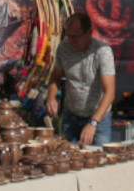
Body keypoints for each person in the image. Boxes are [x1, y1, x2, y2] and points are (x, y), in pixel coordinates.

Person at [45, 12, 116, 146]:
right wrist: (51, 97)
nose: (72, 41)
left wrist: (93, 123)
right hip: (71, 115)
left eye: (76, 36)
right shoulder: (63, 48)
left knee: (99, 160)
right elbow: (56, 77)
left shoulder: (102, 51)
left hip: (98, 118)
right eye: (69, 36)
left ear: (89, 32)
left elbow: (110, 92)